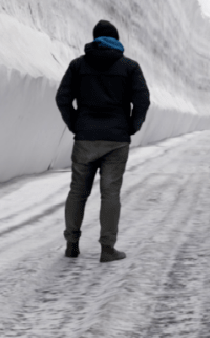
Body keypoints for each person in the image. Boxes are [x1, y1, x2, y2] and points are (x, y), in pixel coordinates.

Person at [55, 19, 150, 262]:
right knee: (110, 194)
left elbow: (62, 97)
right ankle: (107, 249)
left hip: (86, 138)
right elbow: (142, 100)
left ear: (95, 38)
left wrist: (74, 123)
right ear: (117, 40)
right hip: (117, 141)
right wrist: (132, 126)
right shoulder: (130, 67)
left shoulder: (78, 66)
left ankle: (71, 244)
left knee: (77, 191)